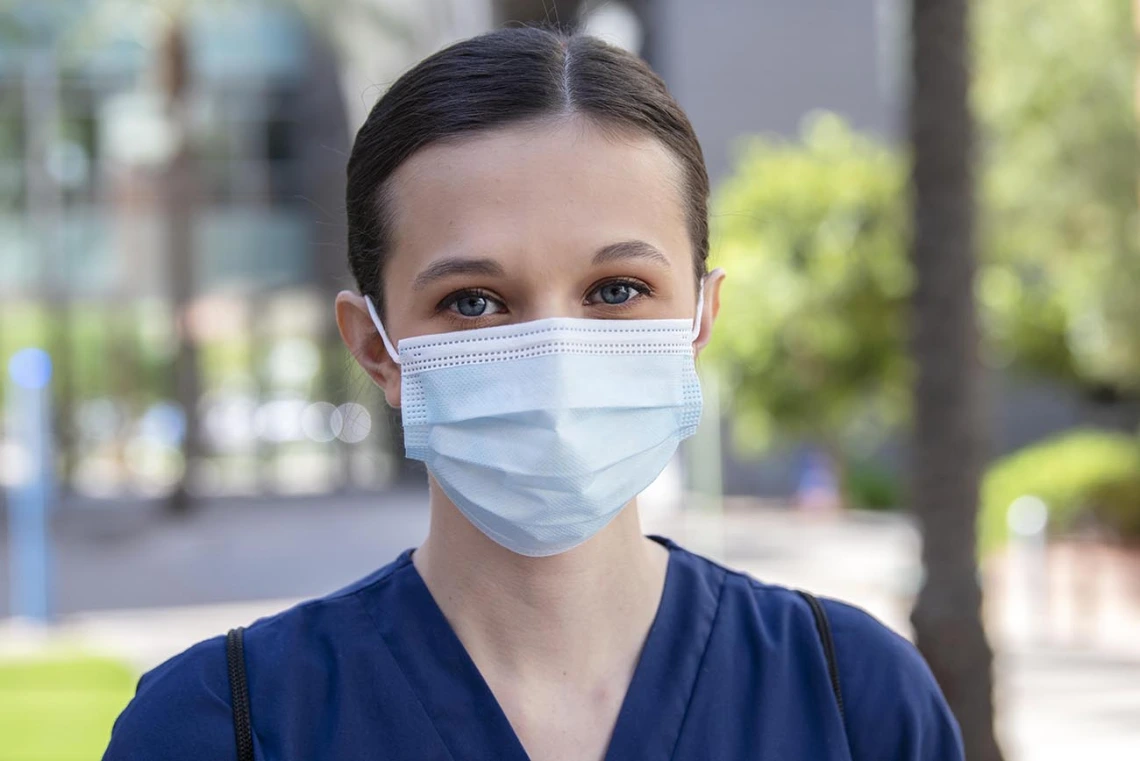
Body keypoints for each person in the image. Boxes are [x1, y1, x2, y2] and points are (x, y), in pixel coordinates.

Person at [103, 27, 964, 761]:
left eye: (618, 288)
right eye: (473, 302)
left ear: (700, 315)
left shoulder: (855, 700)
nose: (556, 354)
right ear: (376, 346)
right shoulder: (221, 729)